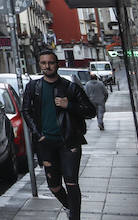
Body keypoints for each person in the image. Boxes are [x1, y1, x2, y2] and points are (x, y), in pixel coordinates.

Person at [22, 49, 96, 219]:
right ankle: (70, 207)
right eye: (43, 63)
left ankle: (75, 216)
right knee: (53, 186)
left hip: (68, 142)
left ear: (58, 64)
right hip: (46, 143)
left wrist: (68, 105)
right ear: (39, 65)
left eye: (51, 63)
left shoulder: (70, 87)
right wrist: (37, 133)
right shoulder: (33, 87)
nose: (47, 66)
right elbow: (26, 111)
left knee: (71, 182)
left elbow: (90, 111)